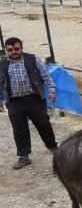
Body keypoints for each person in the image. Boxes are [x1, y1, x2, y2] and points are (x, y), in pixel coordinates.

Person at [0, 37, 58, 169]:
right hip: (14, 102)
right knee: (19, 130)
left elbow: (46, 76)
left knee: (44, 125)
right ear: (6, 50)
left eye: (16, 49)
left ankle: (55, 150)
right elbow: (0, 83)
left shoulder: (33, 59)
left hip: (34, 100)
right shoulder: (2, 64)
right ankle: (24, 157)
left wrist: (52, 91)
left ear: (21, 48)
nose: (14, 51)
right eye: (10, 50)